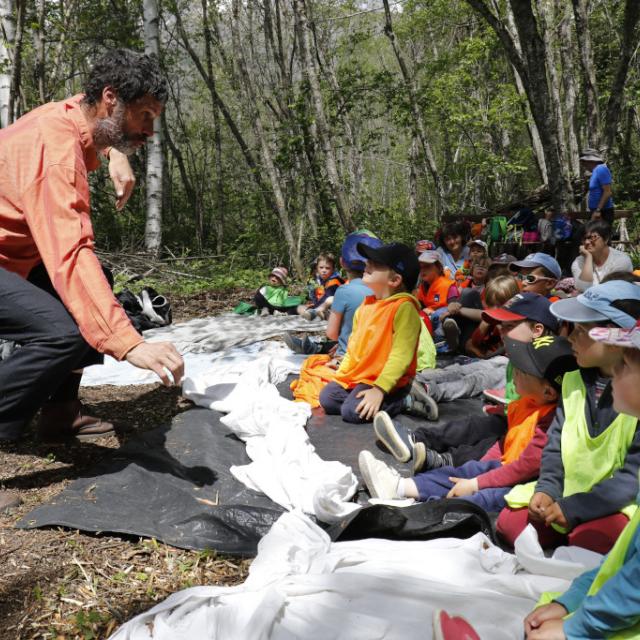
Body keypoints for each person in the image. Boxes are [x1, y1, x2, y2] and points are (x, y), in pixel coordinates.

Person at [0, 49, 184, 511]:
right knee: (59, 331)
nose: (149, 130)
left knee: (95, 281)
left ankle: (59, 415)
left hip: (15, 256)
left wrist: (115, 151)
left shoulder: (71, 118)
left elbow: (89, 126)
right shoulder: (57, 152)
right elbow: (69, 252)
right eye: (144, 116)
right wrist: (127, 342)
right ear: (109, 99)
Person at [497, 280, 640, 554]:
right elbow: (555, 446)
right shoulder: (573, 381)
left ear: (614, 340)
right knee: (511, 524)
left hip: (614, 503)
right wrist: (547, 489)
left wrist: (574, 509)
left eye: (581, 330)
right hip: (565, 495)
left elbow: (633, 478)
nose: (570, 337)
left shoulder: (636, 394)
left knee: (590, 541)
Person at [359, 336, 576, 512]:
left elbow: (525, 468)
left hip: (528, 483)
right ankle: (399, 487)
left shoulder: (551, 422)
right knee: (466, 471)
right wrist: (479, 469)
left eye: (523, 371)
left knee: (481, 497)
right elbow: (506, 441)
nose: (514, 371)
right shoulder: (528, 402)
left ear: (548, 392)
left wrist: (477, 482)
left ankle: (424, 509)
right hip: (506, 468)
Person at [524, 320, 640, 640]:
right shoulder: (575, 382)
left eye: (623, 370)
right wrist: (569, 602)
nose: (612, 380)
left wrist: (576, 627)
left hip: (603, 508)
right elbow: (624, 562)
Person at [377, 292, 560, 474]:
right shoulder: (515, 358)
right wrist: (505, 408)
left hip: (532, 434)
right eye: (501, 326)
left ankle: (444, 461)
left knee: (491, 443)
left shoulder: (552, 365)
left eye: (509, 326)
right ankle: (416, 439)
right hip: (514, 419)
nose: (501, 332)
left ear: (537, 330)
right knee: (474, 425)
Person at [318, 242, 421, 424]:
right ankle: (364, 399)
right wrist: (342, 373)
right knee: (328, 398)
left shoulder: (404, 308)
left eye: (376, 262)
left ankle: (405, 400)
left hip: (386, 381)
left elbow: (401, 355)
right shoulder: (365, 307)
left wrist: (380, 389)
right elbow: (354, 347)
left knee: (351, 412)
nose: (368, 263)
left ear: (394, 280)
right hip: (363, 376)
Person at [570, 219, 633, 291]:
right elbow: (582, 288)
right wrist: (588, 258)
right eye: (584, 238)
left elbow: (612, 291)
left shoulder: (621, 261)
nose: (587, 242)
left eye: (592, 237)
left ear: (606, 239)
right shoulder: (579, 261)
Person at [298, 253, 344, 320]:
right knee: (299, 307)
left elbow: (325, 298)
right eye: (321, 267)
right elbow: (313, 296)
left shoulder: (334, 281)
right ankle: (315, 314)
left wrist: (313, 308)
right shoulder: (320, 280)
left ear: (333, 269)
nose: (324, 270)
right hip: (323, 307)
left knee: (330, 300)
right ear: (317, 268)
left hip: (335, 309)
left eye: (327, 268)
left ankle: (315, 314)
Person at [579, 148, 615, 226]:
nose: (584, 166)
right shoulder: (595, 171)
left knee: (596, 236)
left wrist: (598, 210)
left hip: (603, 212)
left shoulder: (601, 169)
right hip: (596, 211)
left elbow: (607, 192)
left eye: (584, 163)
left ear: (590, 161)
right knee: (589, 236)